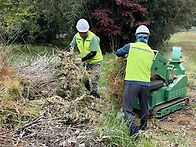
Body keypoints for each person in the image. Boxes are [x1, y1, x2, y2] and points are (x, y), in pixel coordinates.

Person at [115, 25, 154, 136]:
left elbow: (118, 53)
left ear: (137, 36)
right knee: (144, 107)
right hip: (145, 84)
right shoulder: (151, 52)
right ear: (147, 37)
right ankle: (143, 129)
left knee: (127, 109)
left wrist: (127, 55)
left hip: (132, 82)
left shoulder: (131, 46)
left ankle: (134, 133)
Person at [66, 18, 103, 98]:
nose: (83, 35)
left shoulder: (93, 38)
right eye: (81, 33)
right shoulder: (77, 36)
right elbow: (71, 46)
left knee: (93, 80)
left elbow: (93, 53)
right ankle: (93, 93)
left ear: (87, 30)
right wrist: (67, 54)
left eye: (84, 33)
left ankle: (94, 96)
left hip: (95, 62)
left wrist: (81, 59)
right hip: (86, 63)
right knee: (85, 80)